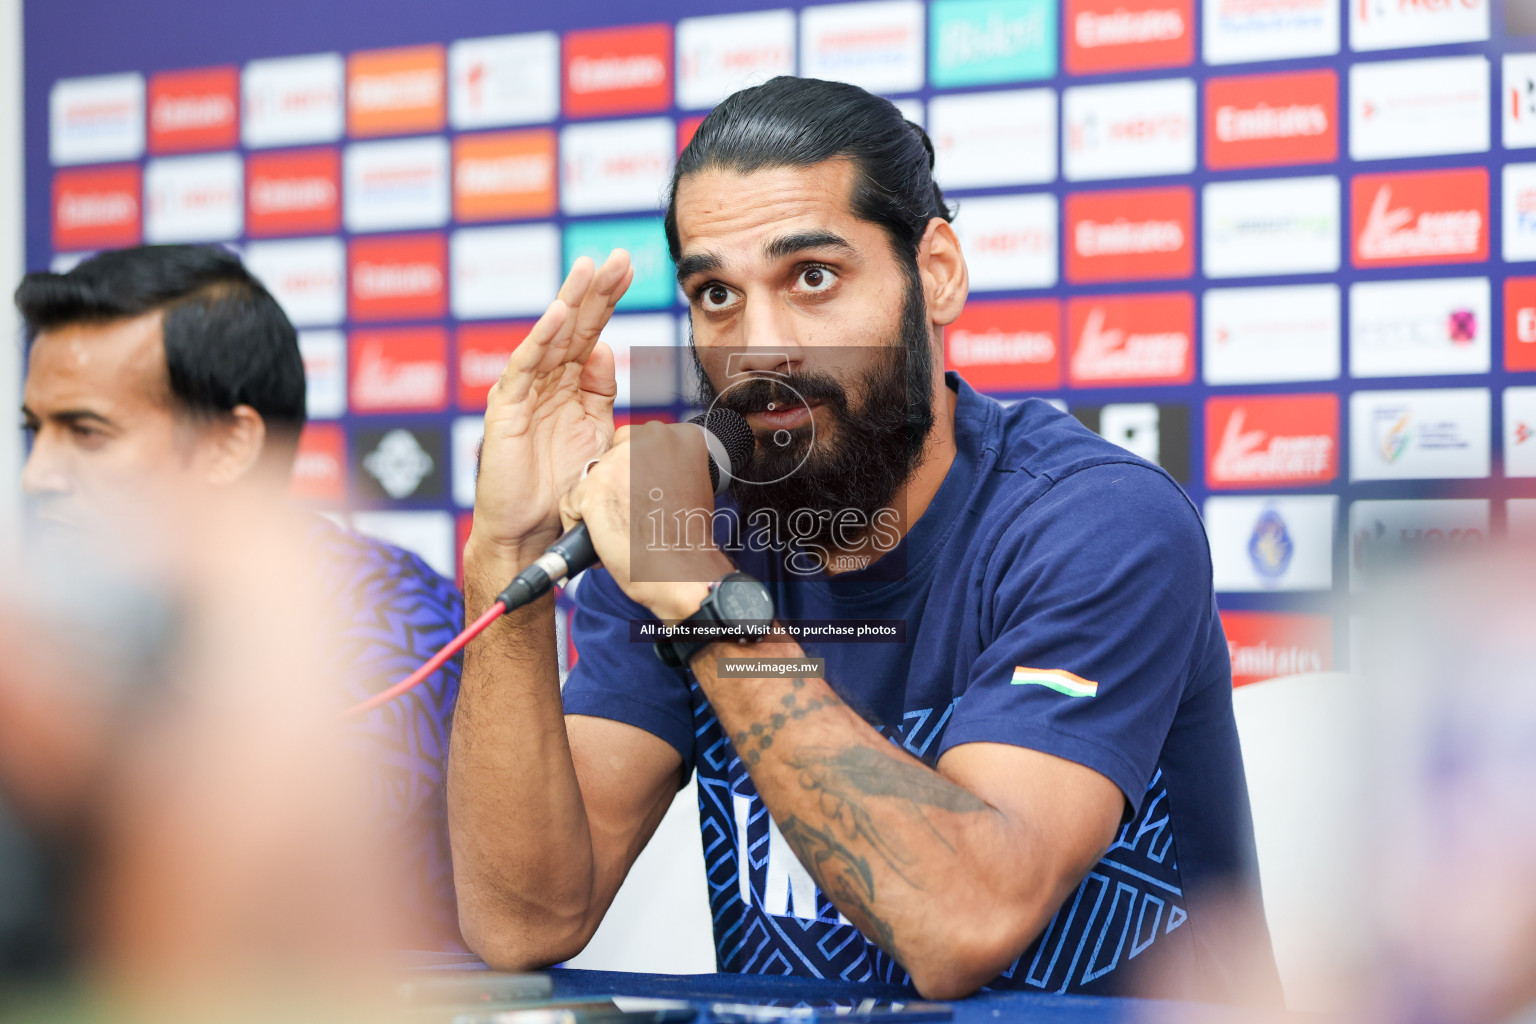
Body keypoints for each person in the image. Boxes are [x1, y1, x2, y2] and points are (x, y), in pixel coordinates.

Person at [450, 76, 1279, 1002]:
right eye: (717, 294)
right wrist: (507, 554)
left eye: (812, 277)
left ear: (937, 274)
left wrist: (702, 597)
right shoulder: (683, 531)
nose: (761, 347)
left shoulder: (1097, 523)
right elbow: (524, 919)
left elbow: (966, 918)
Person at [15, 245, 464, 950]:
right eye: (34, 432)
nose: (39, 476)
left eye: (87, 434)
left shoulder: (392, 620)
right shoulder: (52, 628)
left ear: (231, 445)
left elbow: (243, 909)